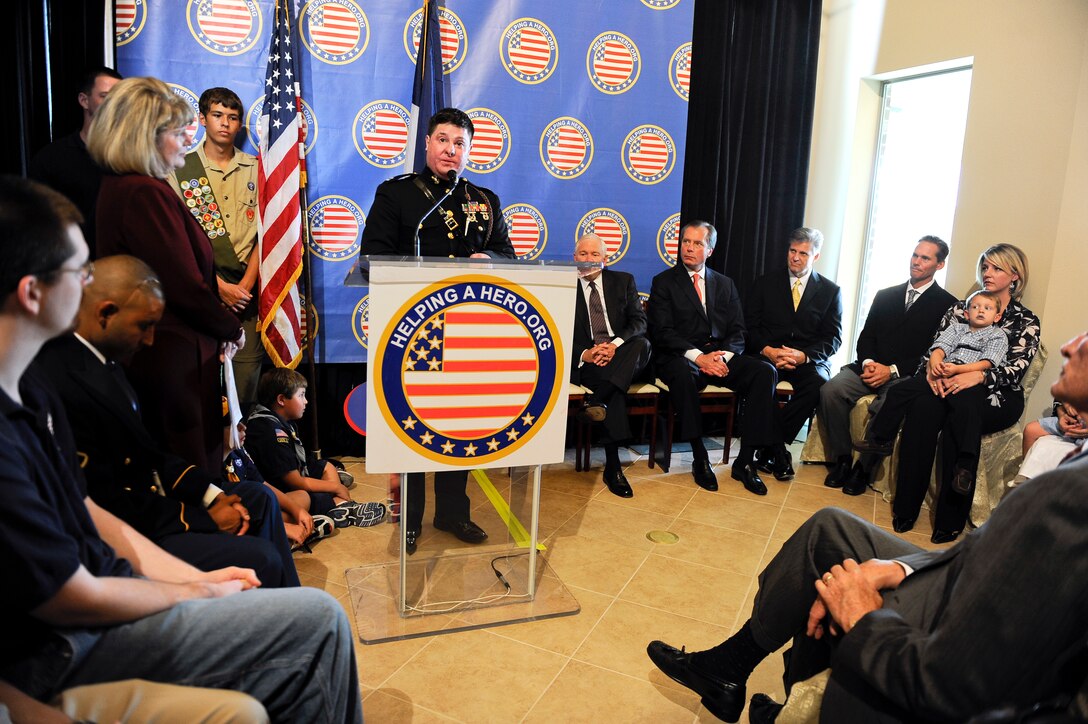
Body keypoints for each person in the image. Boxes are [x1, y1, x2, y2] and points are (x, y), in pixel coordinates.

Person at [0, 175, 362, 722]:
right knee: (317, 621)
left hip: (107, 590)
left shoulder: (29, 389)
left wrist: (191, 580)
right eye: (80, 271)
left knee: (306, 612)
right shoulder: (29, 403)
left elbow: (87, 510)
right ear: (33, 292)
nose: (89, 282)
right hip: (64, 644)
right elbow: (67, 593)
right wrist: (192, 592)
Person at [646, 330, 1088, 724]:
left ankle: (780, 694)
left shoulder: (1071, 497)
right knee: (831, 527)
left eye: (1087, 341)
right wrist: (903, 569)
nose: (1070, 345)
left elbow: (954, 683)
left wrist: (860, 616)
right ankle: (741, 674)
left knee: (835, 572)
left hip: (950, 612)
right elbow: (983, 551)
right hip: (950, 574)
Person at [34, 254, 299, 587]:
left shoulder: (108, 366)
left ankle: (281, 608)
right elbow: (102, 500)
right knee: (262, 558)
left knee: (259, 498)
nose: (148, 340)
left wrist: (211, 495)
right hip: (125, 533)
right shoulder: (61, 378)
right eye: (144, 326)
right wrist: (201, 519)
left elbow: (151, 454)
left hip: (153, 507)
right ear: (106, 312)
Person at [359, 107, 515, 552]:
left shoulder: (483, 200)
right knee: (415, 426)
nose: (451, 150)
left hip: (471, 329)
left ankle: (452, 514)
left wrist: (493, 261)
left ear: (469, 149)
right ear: (427, 144)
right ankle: (410, 518)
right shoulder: (397, 194)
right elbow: (373, 258)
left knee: (458, 426)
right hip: (416, 332)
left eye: (460, 143)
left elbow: (507, 255)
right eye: (443, 140)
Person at [89, 76, 245, 475]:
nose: (185, 141)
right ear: (147, 136)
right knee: (189, 468)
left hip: (167, 353)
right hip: (172, 358)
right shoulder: (144, 192)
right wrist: (230, 326)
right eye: (178, 133)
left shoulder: (125, 186)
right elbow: (183, 286)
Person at [864, 244, 1040, 541]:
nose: (987, 273)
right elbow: (936, 348)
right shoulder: (961, 307)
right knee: (922, 409)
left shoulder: (1026, 321)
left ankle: (951, 517)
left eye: (996, 268)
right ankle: (905, 507)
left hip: (996, 394)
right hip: (946, 380)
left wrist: (978, 376)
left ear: (1015, 277)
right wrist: (934, 372)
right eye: (985, 267)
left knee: (964, 415)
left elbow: (1015, 370)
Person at [647, 220, 780, 495]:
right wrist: (698, 358)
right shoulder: (664, 282)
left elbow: (738, 330)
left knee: (765, 371)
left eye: (697, 243)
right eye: (686, 241)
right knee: (683, 376)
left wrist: (722, 358)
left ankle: (745, 461)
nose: (689, 248)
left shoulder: (725, 284)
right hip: (681, 354)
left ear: (710, 250)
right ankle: (700, 456)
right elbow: (663, 333)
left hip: (721, 355)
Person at [818, 237, 956, 494]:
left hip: (906, 376)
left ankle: (863, 469)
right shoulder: (885, 295)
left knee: (889, 401)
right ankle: (842, 460)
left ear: (940, 265)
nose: (916, 261)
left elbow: (935, 351)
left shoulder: (948, 305)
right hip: (869, 367)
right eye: (915, 255)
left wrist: (891, 370)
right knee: (830, 391)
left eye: (925, 258)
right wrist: (870, 362)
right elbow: (866, 336)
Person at [856, 290, 1008, 499]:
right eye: (975, 307)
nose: (981, 311)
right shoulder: (956, 328)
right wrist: (936, 365)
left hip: (967, 379)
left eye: (987, 308)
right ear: (966, 313)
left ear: (997, 316)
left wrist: (957, 370)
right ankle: (881, 439)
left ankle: (964, 466)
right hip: (942, 372)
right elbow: (938, 349)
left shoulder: (997, 335)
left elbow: (988, 362)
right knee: (900, 390)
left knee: (967, 411)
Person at [174, 87, 265, 411]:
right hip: (200, 290)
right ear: (201, 119)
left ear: (240, 124)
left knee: (245, 382)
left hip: (246, 295)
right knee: (197, 380)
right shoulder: (180, 169)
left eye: (232, 117)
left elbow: (264, 237)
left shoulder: (258, 169)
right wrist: (217, 286)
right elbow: (176, 239)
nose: (225, 123)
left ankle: (242, 459)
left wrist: (243, 287)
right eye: (217, 115)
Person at [745, 228, 843, 481]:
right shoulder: (765, 283)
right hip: (768, 356)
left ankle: (772, 444)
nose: (796, 258)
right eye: (792, 251)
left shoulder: (831, 291)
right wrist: (768, 350)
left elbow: (833, 338)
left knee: (819, 384)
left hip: (806, 360)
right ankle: (779, 451)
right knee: (761, 378)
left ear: (816, 256)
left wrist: (803, 356)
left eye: (803, 253)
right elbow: (749, 327)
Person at [246, 368, 385, 529]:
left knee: (327, 467)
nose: (306, 401)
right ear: (282, 400)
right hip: (279, 488)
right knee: (309, 497)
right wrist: (336, 487)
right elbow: (294, 482)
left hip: (291, 474)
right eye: (301, 395)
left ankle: (340, 508)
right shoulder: (270, 432)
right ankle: (338, 508)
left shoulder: (282, 422)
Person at [570, 233, 652, 497]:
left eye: (595, 254)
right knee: (612, 387)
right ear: (574, 258)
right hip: (591, 361)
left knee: (643, 344)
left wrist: (613, 346)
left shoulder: (623, 281)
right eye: (584, 253)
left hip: (622, 353)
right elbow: (555, 333)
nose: (589, 259)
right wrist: (586, 354)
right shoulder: (564, 287)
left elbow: (639, 322)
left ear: (606, 259)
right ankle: (613, 467)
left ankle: (596, 400)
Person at [28, 66, 123, 257]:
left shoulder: (131, 158)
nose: (113, 104)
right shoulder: (52, 158)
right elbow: (38, 222)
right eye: (105, 96)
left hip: (124, 269)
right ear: (84, 100)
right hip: (74, 266)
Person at [224, 417, 335, 552]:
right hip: (241, 522)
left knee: (302, 497)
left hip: (258, 511)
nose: (243, 427)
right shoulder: (210, 465)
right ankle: (287, 537)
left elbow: (264, 485)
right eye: (234, 425)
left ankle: (288, 535)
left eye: (241, 422)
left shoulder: (239, 452)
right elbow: (226, 517)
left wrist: (297, 511)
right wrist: (281, 526)